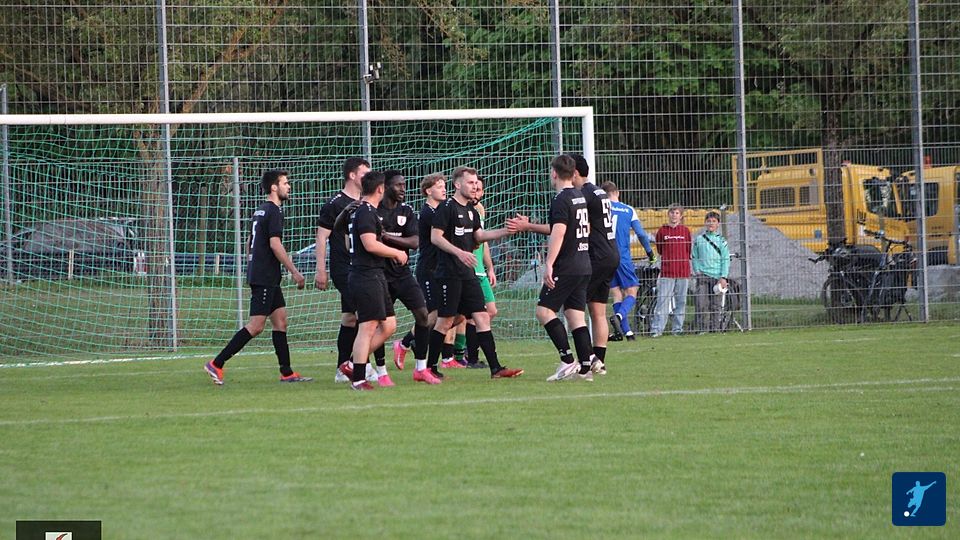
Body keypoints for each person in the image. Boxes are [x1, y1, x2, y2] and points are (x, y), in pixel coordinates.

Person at [204, 170, 311, 385]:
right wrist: (294, 271)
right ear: (274, 187)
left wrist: (253, 264)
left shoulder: (260, 210)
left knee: (280, 321)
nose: (289, 187)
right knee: (256, 326)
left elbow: (249, 242)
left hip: (265, 274)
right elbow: (275, 244)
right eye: (285, 183)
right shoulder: (274, 211)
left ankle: (287, 372)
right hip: (264, 276)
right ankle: (216, 363)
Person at [427, 166, 524, 380]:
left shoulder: (471, 210)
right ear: (457, 184)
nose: (474, 186)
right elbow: (435, 237)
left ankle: (496, 369)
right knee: (445, 321)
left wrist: (507, 231)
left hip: (468, 273)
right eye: (470, 183)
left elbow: (479, 236)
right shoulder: (446, 208)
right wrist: (459, 252)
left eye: (475, 183)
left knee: (482, 316)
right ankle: (430, 368)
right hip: (449, 274)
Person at [340, 171, 408, 390]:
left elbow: (350, 243)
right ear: (380, 189)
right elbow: (369, 244)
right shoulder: (366, 212)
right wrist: (396, 252)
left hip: (375, 274)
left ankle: (352, 364)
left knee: (389, 325)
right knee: (367, 327)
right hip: (365, 275)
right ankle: (359, 378)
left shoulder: (365, 212)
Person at [532, 155, 597, 382]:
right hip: (583, 263)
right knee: (575, 316)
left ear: (554, 173)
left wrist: (549, 264)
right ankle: (586, 368)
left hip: (567, 265)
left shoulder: (561, 199)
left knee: (544, 311)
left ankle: (568, 360)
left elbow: (558, 232)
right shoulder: (579, 196)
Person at [366, 170, 432, 384]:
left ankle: (421, 368)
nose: (403, 189)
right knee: (381, 324)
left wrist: (387, 237)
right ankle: (381, 371)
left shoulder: (406, 210)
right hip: (380, 274)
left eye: (404, 185)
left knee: (423, 315)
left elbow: (415, 242)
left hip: (402, 273)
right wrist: (392, 244)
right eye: (398, 185)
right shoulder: (373, 210)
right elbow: (371, 242)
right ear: (385, 187)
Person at [315, 157, 371, 383]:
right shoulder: (335, 203)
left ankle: (342, 369)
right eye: (364, 173)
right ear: (352, 175)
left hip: (360, 268)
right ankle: (362, 366)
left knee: (349, 318)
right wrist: (321, 269)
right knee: (364, 315)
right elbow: (322, 236)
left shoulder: (366, 202)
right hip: (343, 269)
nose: (368, 177)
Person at [393, 173, 447, 385]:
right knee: (432, 313)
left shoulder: (438, 211)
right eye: (439, 186)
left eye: (444, 186)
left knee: (449, 314)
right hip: (428, 270)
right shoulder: (427, 213)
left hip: (439, 269)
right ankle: (405, 344)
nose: (444, 189)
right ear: (428, 191)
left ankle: (416, 345)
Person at [569, 154, 619, 374]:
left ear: (574, 173)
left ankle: (589, 358)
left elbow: (579, 227)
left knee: (574, 306)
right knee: (597, 310)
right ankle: (600, 361)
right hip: (610, 253)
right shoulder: (599, 191)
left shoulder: (583, 195)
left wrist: (530, 226)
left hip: (596, 256)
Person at [602, 181, 656, 340]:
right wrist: (650, 253)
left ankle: (628, 333)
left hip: (604, 257)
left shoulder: (600, 209)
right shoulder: (628, 210)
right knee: (632, 290)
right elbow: (641, 234)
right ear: (617, 192)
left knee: (616, 293)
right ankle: (619, 316)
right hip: (622, 257)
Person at [463, 176, 496, 369]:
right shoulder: (459, 209)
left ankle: (466, 352)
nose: (476, 192)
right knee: (466, 316)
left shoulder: (480, 210)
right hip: (467, 270)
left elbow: (482, 240)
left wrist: (490, 267)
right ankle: (468, 356)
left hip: (480, 270)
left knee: (489, 311)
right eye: (473, 187)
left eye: (479, 189)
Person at [650, 203, 692, 337]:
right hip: (667, 272)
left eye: (677, 213)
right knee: (662, 301)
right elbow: (660, 250)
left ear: (681, 216)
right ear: (668, 214)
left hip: (683, 272)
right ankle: (657, 330)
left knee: (681, 302)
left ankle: (677, 329)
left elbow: (688, 250)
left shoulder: (685, 231)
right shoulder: (662, 231)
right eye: (672, 212)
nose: (674, 215)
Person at [691, 210, 731, 334]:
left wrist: (723, 277)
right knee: (701, 303)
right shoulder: (699, 239)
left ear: (718, 224)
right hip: (703, 276)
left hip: (717, 277)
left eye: (714, 221)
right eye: (708, 221)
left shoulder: (722, 241)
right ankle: (702, 329)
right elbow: (694, 256)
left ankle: (715, 329)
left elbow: (725, 259)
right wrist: (697, 271)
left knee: (716, 305)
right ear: (705, 223)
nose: (711, 223)